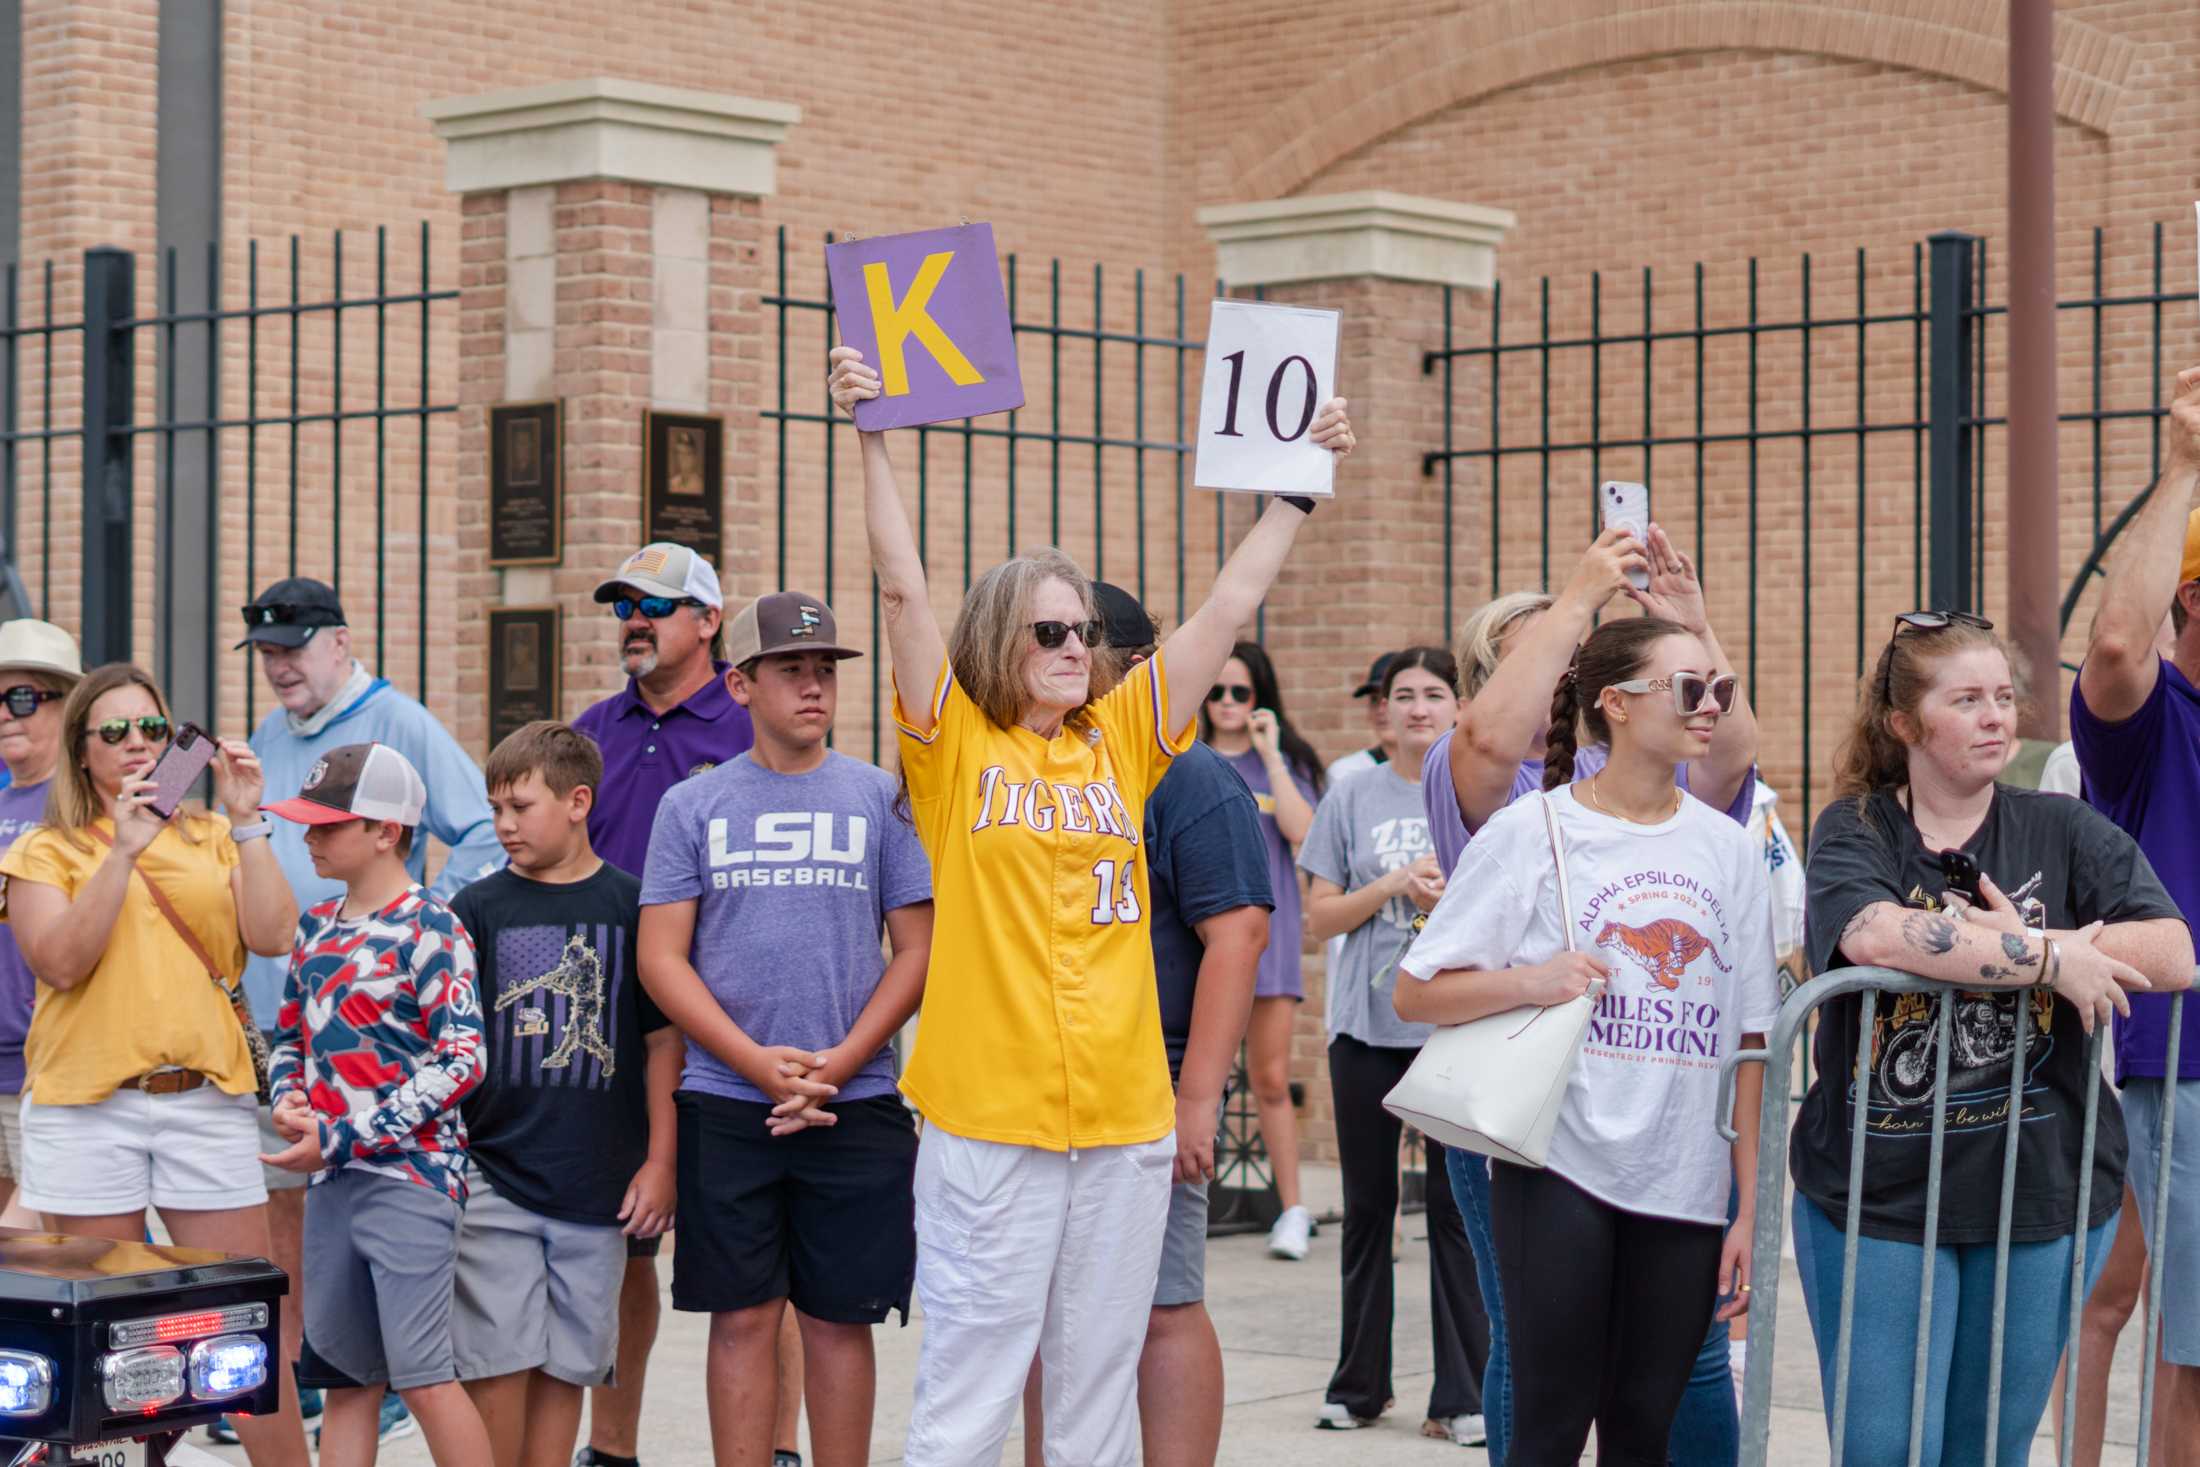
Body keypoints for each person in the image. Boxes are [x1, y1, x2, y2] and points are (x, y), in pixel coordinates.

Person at [831, 342, 1352, 1467]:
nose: (1077, 649)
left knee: (1094, 1396)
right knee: (971, 1390)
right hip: (990, 1120)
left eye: (1086, 633)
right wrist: (870, 437)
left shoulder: (1121, 743)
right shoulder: (955, 747)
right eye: (1051, 632)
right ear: (999, 643)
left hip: (1122, 1123)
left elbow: (1228, 606)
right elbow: (900, 587)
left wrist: (1293, 494)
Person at [1796, 612, 2193, 1467]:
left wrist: (2012, 953)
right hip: (1880, 1193)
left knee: (1989, 1449)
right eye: (1966, 698)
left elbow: (2173, 949)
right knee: (1883, 1449)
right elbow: (1874, 934)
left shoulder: (2062, 825)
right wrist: (2052, 956)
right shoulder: (1856, 827)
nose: (1995, 717)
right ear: (1905, 723)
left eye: (2004, 697)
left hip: (2041, 1190)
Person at [1394, 617, 1775, 1465]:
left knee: (1645, 1430)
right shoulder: (1536, 829)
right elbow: (1415, 991)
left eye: (1718, 687)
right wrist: (1532, 980)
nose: (1709, 705)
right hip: (1557, 1168)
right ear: (1616, 704)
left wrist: (1749, 1206)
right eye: (1687, 688)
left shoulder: (1726, 848)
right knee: (1550, 1427)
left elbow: (1751, 1038)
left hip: (1683, 1183)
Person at [635, 591, 930, 1467]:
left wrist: (837, 1063)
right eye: (791, 669)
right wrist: (757, 1064)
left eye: (825, 670)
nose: (814, 687)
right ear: (741, 683)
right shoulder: (694, 806)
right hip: (730, 1100)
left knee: (842, 1318)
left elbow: (916, 950)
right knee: (743, 1316)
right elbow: (662, 958)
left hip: (857, 1099)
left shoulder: (883, 798)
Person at [0, 663, 308, 1465]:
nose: (136, 744)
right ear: (83, 751)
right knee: (113, 1345)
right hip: (87, 1110)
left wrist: (248, 821)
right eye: (114, 731)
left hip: (202, 1105)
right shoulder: (45, 847)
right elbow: (61, 962)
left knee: (245, 1329)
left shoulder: (211, 833)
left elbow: (275, 935)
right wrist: (123, 851)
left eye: (153, 729)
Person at [241, 573, 503, 1450]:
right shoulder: (317, 926)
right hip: (333, 1184)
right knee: (344, 1381)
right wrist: (287, 1092)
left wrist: (350, 1133)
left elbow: (463, 1058)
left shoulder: (433, 925)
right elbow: (290, 1036)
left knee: (424, 1380)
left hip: (410, 1185)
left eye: (325, 827)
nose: (306, 841)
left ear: (386, 830)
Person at [1021, 582, 1275, 1467]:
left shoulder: (1188, 775)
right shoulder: (1046, 762)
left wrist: (1197, 1097)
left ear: (1129, 663)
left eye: (1073, 641)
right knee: (1044, 1311)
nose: (1055, 658)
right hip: (1047, 1088)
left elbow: (1238, 934)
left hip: (1149, 1087)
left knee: (1161, 1304)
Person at [574, 541, 760, 1467]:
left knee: (761, 1258)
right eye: (622, 607)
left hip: (734, 1029)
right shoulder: (590, 732)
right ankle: (612, 1449)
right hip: (613, 1029)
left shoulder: (749, 720)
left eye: (654, 604)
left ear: (710, 620)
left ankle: (774, 1447)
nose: (634, 621)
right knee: (628, 1245)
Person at [448, 722, 679, 1467]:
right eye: (496, 809)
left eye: (521, 805)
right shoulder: (476, 909)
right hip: (495, 1176)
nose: (504, 824)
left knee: (568, 1363)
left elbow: (661, 1043)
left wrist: (661, 1164)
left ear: (579, 801)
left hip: (600, 1186)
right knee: (496, 1359)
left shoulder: (633, 905)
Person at [1299, 645, 1488, 1444]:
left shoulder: (1481, 789)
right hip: (1366, 1032)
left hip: (1448, 1030)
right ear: (1384, 709)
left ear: (1458, 707)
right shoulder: (1351, 795)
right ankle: (1360, 1385)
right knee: (1370, 1210)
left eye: (1433, 694)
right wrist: (1394, 884)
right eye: (1402, 695)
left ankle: (1460, 1396)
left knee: (1455, 1211)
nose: (1417, 708)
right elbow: (1319, 916)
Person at [2067, 365, 2200, 1467]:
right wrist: (2183, 471)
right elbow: (2114, 646)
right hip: (2186, 1067)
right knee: (2187, 1350)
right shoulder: (2150, 724)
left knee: (2135, 1305)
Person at [1198, 639, 1322, 1261]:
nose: (1225, 703)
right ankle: (1192, 1200)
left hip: (1268, 942)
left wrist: (1271, 753)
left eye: (1239, 692)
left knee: (1271, 1079)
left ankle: (1292, 1209)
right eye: (1215, 690)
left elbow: (1306, 836)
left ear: (1260, 697)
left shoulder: (1285, 764)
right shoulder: (1182, 756)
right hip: (1198, 943)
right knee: (1198, 1075)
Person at [0, 619, 79, 1231]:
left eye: (21, 697)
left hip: (52, 1069)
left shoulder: (87, 805)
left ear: (66, 704)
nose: (5, 714)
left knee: (37, 1252)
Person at [1327, 651, 1398, 785]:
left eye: (1392, 699)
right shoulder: (1346, 772)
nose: (1381, 710)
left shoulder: (1438, 770)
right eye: (1374, 700)